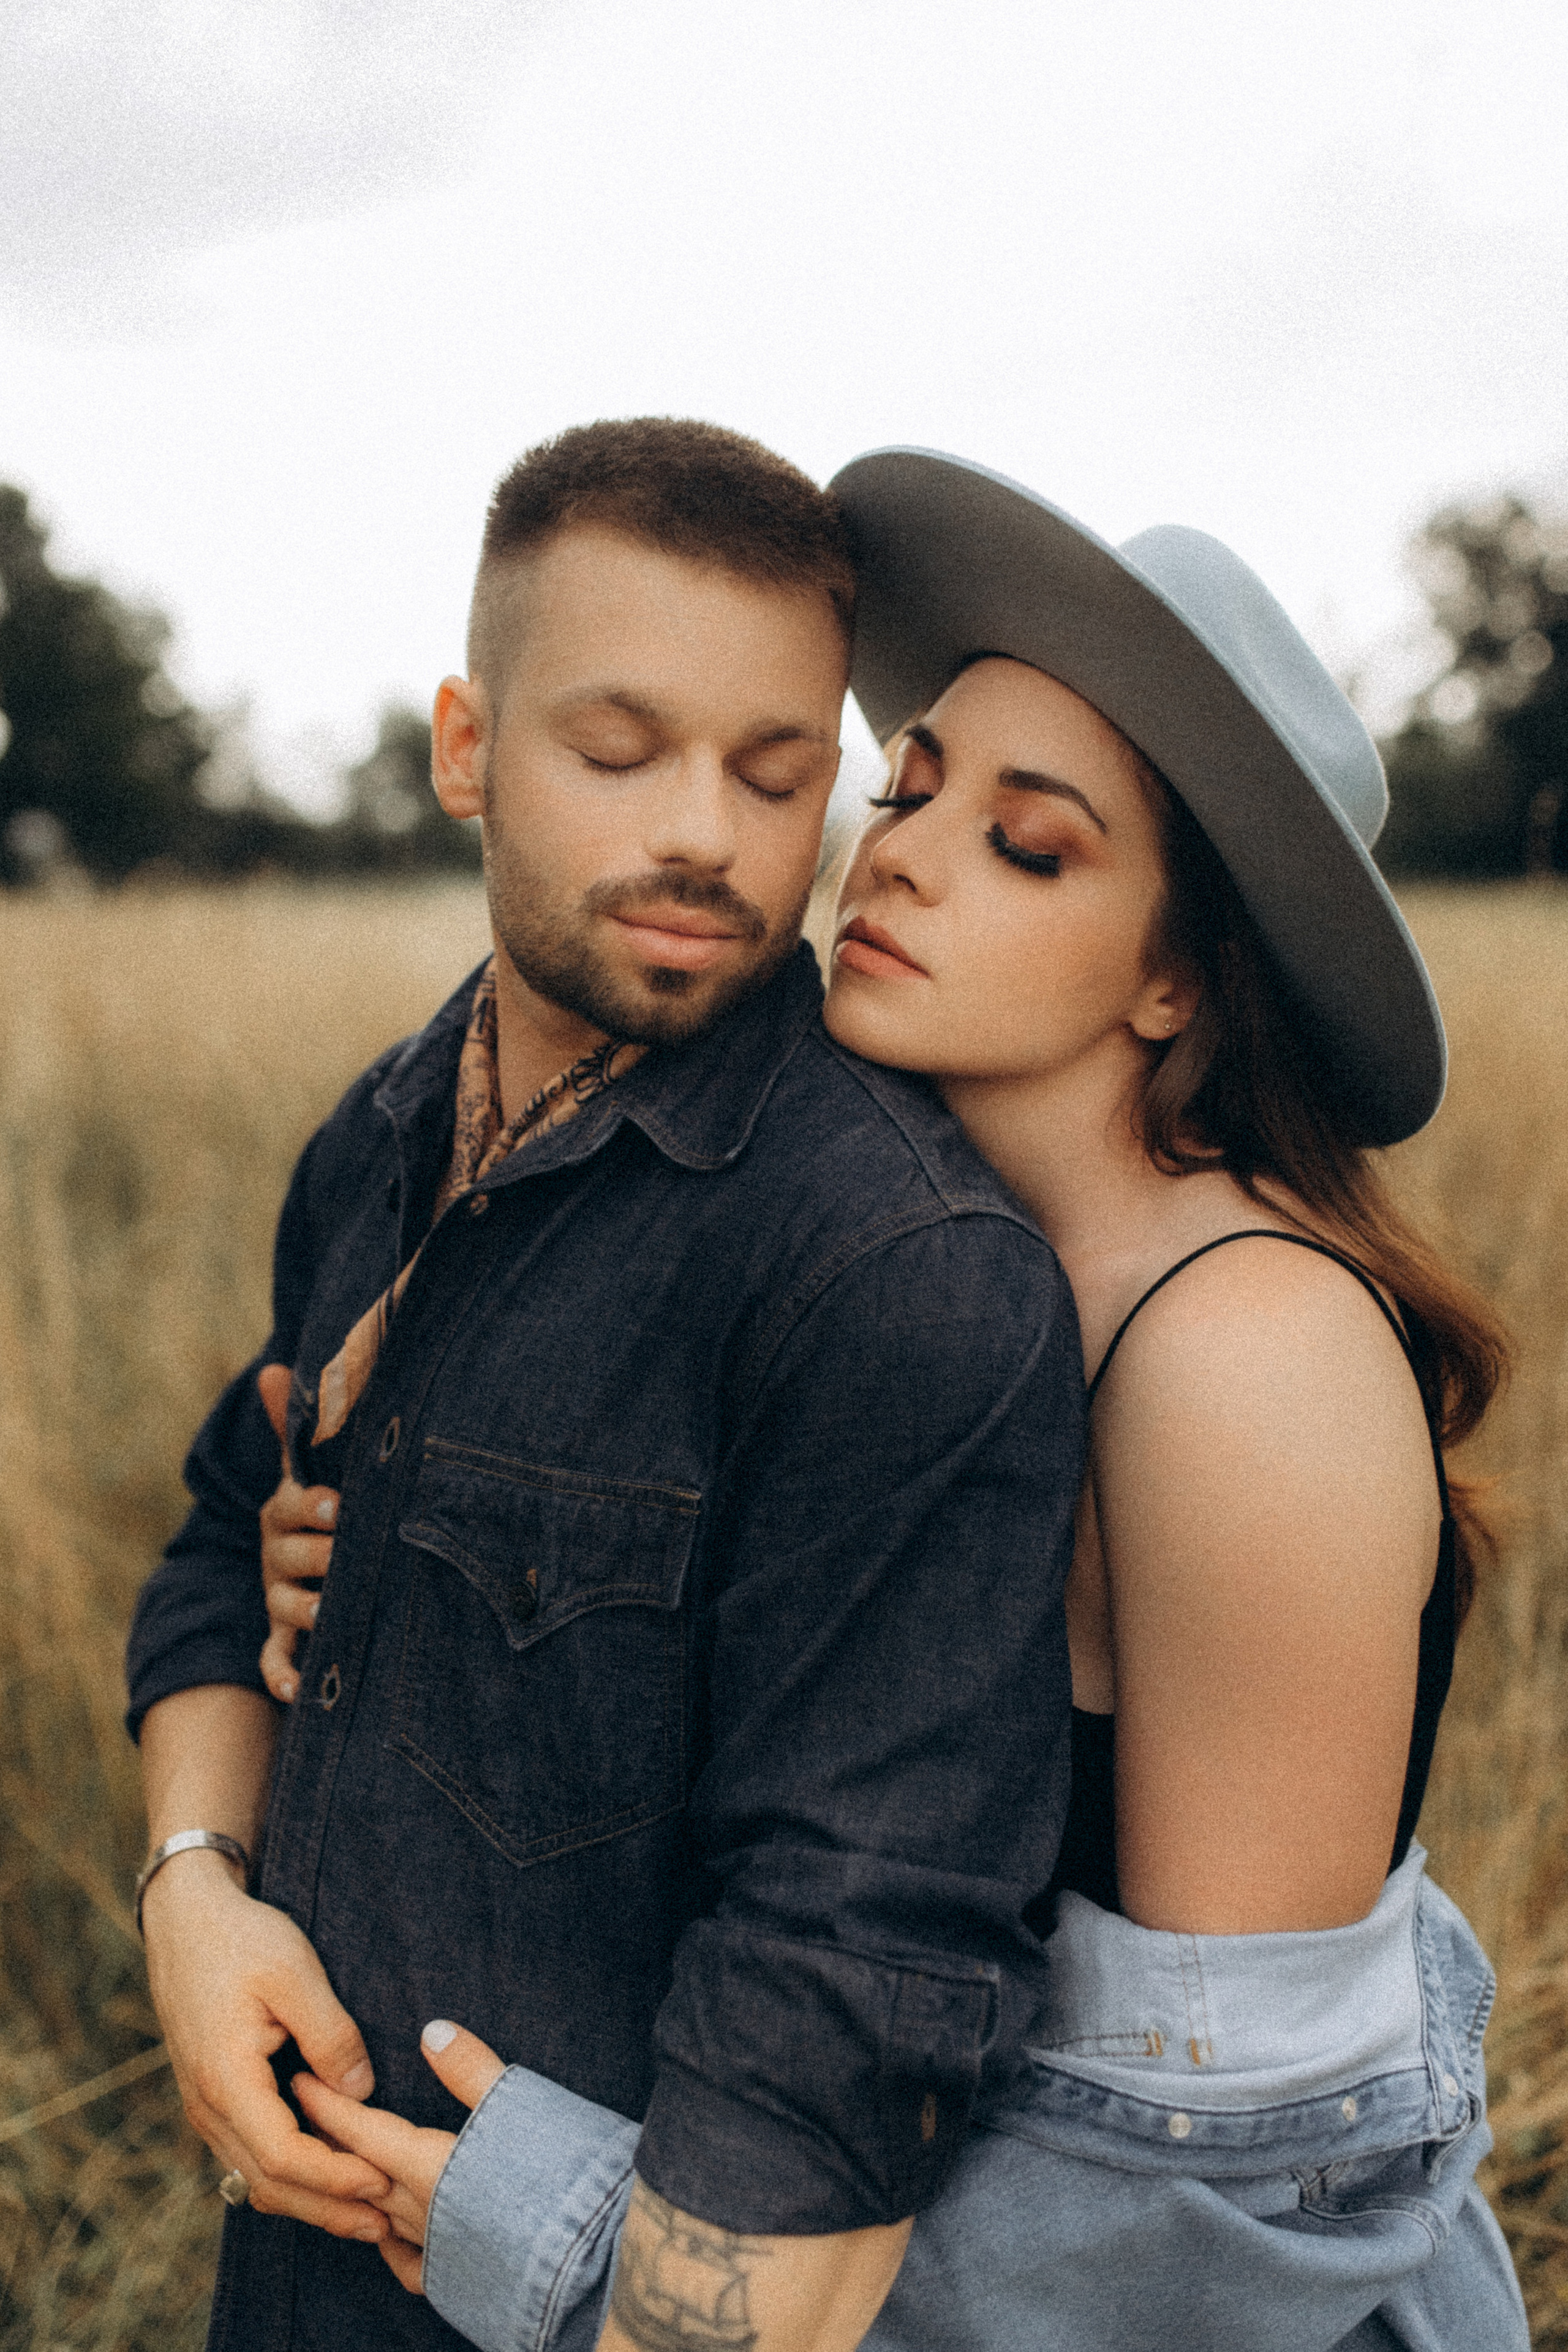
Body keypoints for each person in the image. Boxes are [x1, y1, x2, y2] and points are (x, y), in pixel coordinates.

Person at [267, 450, 1526, 2351]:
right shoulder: (882, 1219)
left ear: (1178, 978)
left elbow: (1225, 2184)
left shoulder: (1239, 1353)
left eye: (1030, 845)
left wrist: (570, 2235)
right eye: (908, 785)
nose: (903, 856)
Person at [124, 422, 1089, 2352]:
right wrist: (191, 1893)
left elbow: (851, 1975)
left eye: (776, 770)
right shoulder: (378, 1136)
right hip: (291, 2282)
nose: (706, 838)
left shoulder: (896, 1271)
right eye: (618, 750)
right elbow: (230, 1532)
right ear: (467, 747)